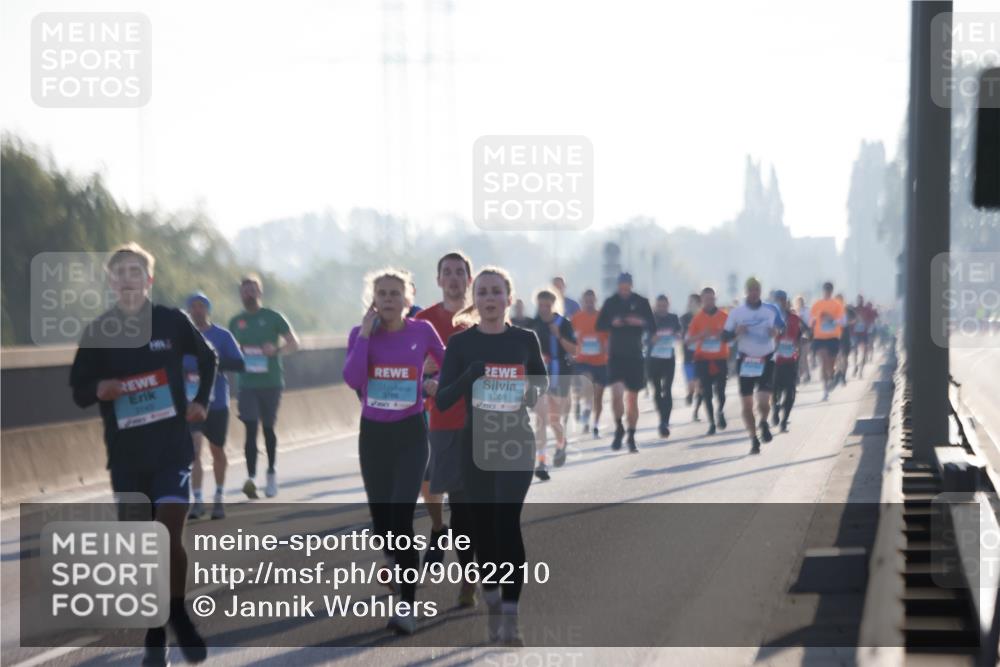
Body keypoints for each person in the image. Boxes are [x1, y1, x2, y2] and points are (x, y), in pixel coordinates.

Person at [69, 243, 213, 665]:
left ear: (149, 279)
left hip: (171, 447)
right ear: (111, 283)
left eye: (136, 271)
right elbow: (78, 388)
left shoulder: (171, 321)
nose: (128, 278)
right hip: (127, 455)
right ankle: (156, 628)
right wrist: (98, 389)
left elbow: (209, 359)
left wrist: (201, 400)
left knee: (168, 533)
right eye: (120, 273)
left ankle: (177, 618)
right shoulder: (98, 331)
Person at [435, 266, 548, 646]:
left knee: (506, 524)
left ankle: (511, 616)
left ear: (508, 298)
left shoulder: (525, 339)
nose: (488, 298)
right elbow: (446, 397)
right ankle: (493, 598)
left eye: (496, 292)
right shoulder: (461, 344)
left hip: (515, 441)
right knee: (483, 530)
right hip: (474, 446)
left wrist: (518, 388)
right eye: (482, 292)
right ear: (474, 298)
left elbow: (540, 386)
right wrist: (472, 375)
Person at [342, 268, 445, 635]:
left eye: (394, 293)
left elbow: (449, 363)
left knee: (401, 516)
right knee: (382, 521)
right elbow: (353, 379)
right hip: (373, 435)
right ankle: (393, 557)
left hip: (411, 433)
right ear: (373, 299)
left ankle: (406, 605)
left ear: (408, 299)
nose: (388, 299)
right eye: (382, 293)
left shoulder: (422, 331)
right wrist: (366, 337)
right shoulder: (360, 334)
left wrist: (434, 382)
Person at [414, 251, 479, 606]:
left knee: (470, 508)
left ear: (468, 280)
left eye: (460, 272)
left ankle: (469, 577)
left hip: (482, 423)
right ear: (438, 280)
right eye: (447, 273)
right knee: (447, 497)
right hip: (441, 422)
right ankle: (439, 530)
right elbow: (404, 368)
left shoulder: (481, 318)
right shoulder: (422, 322)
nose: (454, 278)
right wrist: (423, 374)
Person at [229, 274, 300, 499]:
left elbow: (294, 343)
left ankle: (271, 473)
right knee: (250, 429)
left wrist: (276, 350)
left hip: (271, 382)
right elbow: (230, 350)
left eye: (252, 290)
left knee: (268, 427)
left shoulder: (273, 317)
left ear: (260, 293)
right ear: (240, 294)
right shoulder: (235, 321)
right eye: (245, 290)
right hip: (247, 383)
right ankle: (250, 478)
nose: (248, 294)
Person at [184, 292, 245, 521]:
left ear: (208, 310)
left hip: (217, 402)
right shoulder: (182, 338)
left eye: (201, 306)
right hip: (192, 403)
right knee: (194, 451)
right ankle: (198, 501)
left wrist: (213, 364)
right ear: (189, 311)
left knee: (216, 451)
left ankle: (218, 497)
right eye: (193, 306)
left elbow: (240, 363)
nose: (197, 310)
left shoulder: (222, 336)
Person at [596, 272, 655, 453]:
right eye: (621, 286)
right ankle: (619, 427)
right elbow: (599, 325)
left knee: (632, 399)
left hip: (635, 355)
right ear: (617, 286)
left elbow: (652, 327)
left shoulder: (641, 302)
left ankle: (631, 435)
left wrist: (639, 321)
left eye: (626, 286)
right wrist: (613, 322)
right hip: (616, 355)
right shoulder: (611, 302)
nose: (624, 289)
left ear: (631, 285)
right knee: (616, 394)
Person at [722, 277, 783, 454]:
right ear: (746, 291)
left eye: (757, 289)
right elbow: (724, 338)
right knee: (747, 405)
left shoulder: (771, 309)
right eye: (751, 289)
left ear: (760, 291)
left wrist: (776, 332)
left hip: (766, 358)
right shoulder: (737, 313)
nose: (754, 292)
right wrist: (736, 332)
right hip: (746, 360)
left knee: (764, 401)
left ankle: (763, 422)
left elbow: (782, 328)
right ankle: (753, 438)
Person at [530, 289, 577, 479]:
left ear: (553, 305)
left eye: (547, 305)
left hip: (560, 373)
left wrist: (558, 335)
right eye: (541, 305)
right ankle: (541, 462)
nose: (543, 309)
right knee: (541, 419)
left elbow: (574, 350)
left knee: (554, 419)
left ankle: (560, 444)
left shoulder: (563, 323)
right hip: (538, 375)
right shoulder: (533, 324)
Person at [686, 287, 729, 436]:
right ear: (702, 300)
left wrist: (721, 335)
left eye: (711, 298)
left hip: (720, 359)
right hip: (702, 360)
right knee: (706, 393)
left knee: (721, 391)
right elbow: (688, 340)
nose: (709, 302)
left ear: (715, 299)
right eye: (706, 299)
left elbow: (732, 336)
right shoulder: (697, 319)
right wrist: (701, 335)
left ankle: (720, 411)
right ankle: (711, 423)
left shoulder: (724, 316)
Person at [571, 289, 609, 438]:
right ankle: (581, 405)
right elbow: (571, 338)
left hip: (601, 361)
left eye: (591, 300)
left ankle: (595, 425)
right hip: (583, 360)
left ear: (595, 300)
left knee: (598, 396)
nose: (589, 303)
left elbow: (609, 338)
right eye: (586, 301)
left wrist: (607, 349)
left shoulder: (602, 318)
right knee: (587, 384)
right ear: (582, 301)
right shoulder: (576, 318)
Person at [647, 295, 682, 438]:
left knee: (667, 389)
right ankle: (661, 417)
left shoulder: (673, 318)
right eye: (659, 305)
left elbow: (679, 333)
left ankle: (665, 422)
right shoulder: (650, 319)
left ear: (668, 305)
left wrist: (677, 335)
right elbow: (644, 337)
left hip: (668, 358)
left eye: (664, 305)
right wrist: (652, 338)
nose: (662, 308)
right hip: (653, 360)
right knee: (656, 390)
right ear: (656, 306)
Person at [770, 290, 804, 433]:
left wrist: (799, 344)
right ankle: (776, 408)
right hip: (774, 361)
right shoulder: (769, 318)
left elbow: (802, 335)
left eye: (782, 299)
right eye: (777, 300)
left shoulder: (794, 318)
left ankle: (784, 421)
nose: (780, 302)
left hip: (790, 360)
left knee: (790, 393)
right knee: (775, 390)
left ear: (786, 301)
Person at [809, 282, 845, 401]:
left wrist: (832, 320)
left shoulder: (837, 304)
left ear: (832, 291)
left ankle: (833, 375)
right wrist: (812, 323)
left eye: (829, 289)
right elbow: (811, 319)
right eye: (826, 289)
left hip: (833, 337)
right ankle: (825, 390)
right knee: (823, 362)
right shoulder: (817, 304)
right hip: (819, 337)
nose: (827, 291)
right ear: (823, 290)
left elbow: (842, 321)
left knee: (830, 365)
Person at [680, 293, 703, 421]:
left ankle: (696, 411)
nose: (691, 305)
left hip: (701, 356)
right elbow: (681, 335)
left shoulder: (703, 317)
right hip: (688, 356)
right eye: (689, 302)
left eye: (693, 302)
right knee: (692, 384)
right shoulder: (684, 318)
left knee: (701, 386)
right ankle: (689, 394)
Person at [794, 295, 812, 383]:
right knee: (798, 357)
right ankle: (801, 375)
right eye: (798, 301)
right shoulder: (794, 311)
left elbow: (809, 323)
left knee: (803, 357)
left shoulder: (807, 311)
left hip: (805, 336)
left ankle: (806, 374)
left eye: (801, 301)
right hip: (797, 337)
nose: (800, 303)